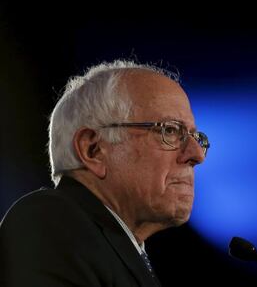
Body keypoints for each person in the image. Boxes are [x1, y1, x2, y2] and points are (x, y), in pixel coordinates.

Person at [0, 60, 210, 287]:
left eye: (196, 137)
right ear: (94, 150)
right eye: (169, 130)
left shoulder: (114, 247)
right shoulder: (47, 222)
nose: (197, 154)